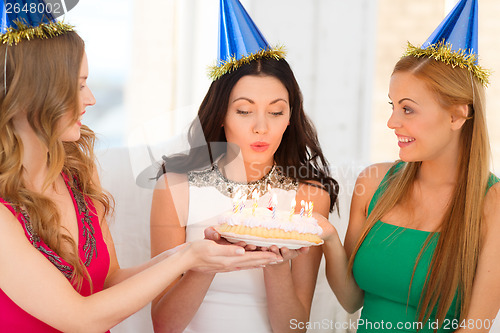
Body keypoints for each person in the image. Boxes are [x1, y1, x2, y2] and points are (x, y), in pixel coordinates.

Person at [0, 11, 281, 333]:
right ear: (31, 95)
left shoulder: (74, 175)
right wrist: (186, 260)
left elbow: (109, 281)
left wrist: (193, 253)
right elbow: (81, 319)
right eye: (77, 87)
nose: (90, 99)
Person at [149, 2, 338, 332]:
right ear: (221, 114)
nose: (261, 127)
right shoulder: (175, 186)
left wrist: (275, 262)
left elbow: (294, 328)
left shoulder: (309, 196)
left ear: (291, 118)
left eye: (276, 112)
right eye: (244, 111)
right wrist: (207, 261)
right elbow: (164, 325)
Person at [319, 0, 500, 331]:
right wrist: (329, 237)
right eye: (392, 106)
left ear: (458, 114)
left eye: (408, 109)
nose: (392, 122)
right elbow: (351, 300)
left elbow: (474, 327)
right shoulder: (373, 183)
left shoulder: (493, 203)